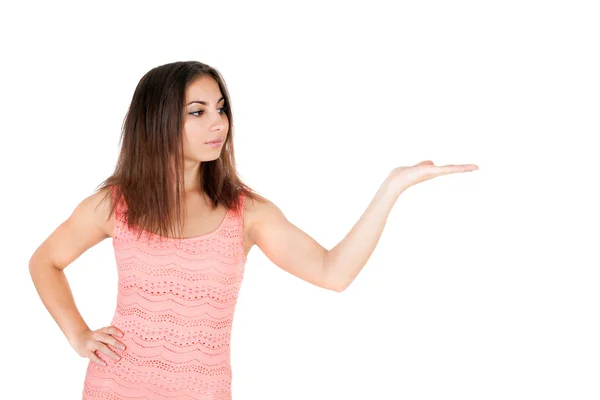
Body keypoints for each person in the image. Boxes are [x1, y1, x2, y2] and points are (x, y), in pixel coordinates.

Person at [28, 60, 479, 400]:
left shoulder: (246, 213)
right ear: (158, 119)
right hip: (115, 387)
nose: (218, 123)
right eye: (198, 111)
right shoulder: (116, 203)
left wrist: (392, 187)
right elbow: (44, 261)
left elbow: (332, 272)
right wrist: (78, 333)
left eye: (220, 109)